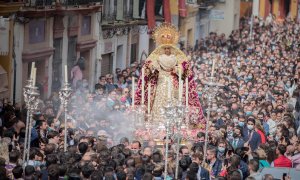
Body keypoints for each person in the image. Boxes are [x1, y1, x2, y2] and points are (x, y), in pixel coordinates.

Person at [134, 23, 205, 127]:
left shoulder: (177, 57)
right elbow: (148, 70)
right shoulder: (156, 57)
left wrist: (178, 70)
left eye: (169, 48)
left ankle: (174, 123)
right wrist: (153, 68)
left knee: (173, 100)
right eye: (165, 48)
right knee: (159, 100)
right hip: (161, 81)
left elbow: (185, 71)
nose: (167, 50)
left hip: (173, 82)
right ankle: (157, 122)